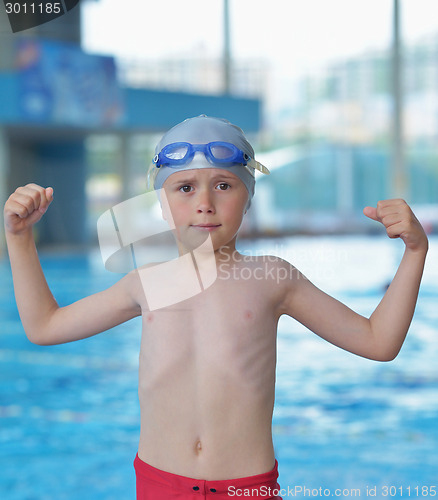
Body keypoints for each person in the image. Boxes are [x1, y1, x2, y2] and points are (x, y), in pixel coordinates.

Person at [3, 115, 428, 500]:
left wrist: (415, 251)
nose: (204, 202)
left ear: (248, 197)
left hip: (247, 489)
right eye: (185, 187)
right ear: (164, 205)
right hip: (158, 485)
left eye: (223, 185)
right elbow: (45, 326)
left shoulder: (272, 278)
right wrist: (20, 239)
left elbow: (378, 342)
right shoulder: (145, 283)